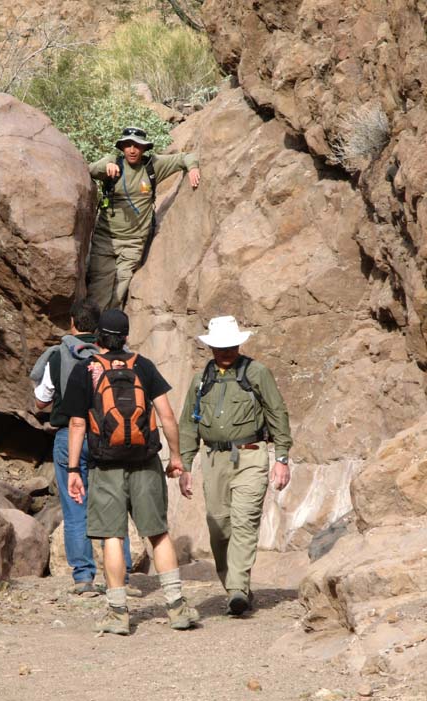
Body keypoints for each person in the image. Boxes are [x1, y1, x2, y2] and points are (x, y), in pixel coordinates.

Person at [61, 308, 200, 635]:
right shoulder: (143, 365)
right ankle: (177, 607)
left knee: (112, 534)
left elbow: (78, 422)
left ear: (98, 337)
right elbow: (166, 415)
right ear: (125, 336)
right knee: (158, 532)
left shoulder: (87, 369)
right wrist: (176, 456)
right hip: (145, 461)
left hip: (105, 463)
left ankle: (118, 612)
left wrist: (72, 469)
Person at [178, 316, 292, 616]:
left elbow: (277, 413)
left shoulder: (257, 373)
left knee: (244, 520)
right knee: (219, 527)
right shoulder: (200, 379)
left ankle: (238, 588)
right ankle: (234, 588)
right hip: (213, 459)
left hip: (251, 455)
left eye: (230, 345)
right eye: (220, 346)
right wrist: (186, 466)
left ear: (239, 343)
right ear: (211, 347)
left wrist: (281, 458)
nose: (226, 351)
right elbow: (188, 424)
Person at [31, 299, 139, 597]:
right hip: (109, 437)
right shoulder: (117, 356)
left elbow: (41, 401)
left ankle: (83, 578)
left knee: (74, 507)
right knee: (113, 505)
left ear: (72, 324)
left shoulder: (57, 355)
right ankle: (122, 577)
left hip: (69, 436)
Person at [87, 126, 200, 311]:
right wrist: (105, 167)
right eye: (128, 145)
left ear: (144, 148)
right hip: (105, 240)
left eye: (137, 146)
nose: (132, 150)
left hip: (134, 242)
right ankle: (93, 334)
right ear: (122, 147)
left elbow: (185, 157)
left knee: (119, 291)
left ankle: (109, 335)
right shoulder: (113, 162)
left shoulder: (152, 166)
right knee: (99, 290)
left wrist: (193, 168)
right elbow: (90, 170)